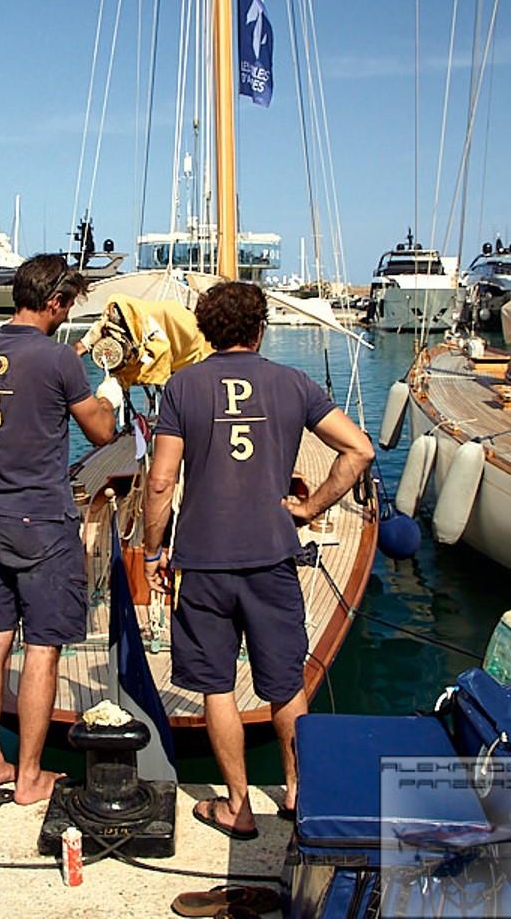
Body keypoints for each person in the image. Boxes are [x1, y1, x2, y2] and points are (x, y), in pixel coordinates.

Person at [142, 281, 374, 839]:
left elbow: (159, 481)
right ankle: (297, 793)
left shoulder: (181, 387)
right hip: (273, 555)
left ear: (205, 331)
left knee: (217, 686)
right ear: (261, 328)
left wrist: (152, 550)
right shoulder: (294, 384)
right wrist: (309, 506)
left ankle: (237, 806)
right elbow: (359, 449)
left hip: (202, 560)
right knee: (285, 683)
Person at [0, 253, 122, 804]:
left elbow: (26, 386)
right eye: (67, 305)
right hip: (44, 523)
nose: (67, 314)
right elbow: (101, 433)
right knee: (44, 649)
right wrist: (110, 392)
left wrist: (70, 358)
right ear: (54, 301)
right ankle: (29, 777)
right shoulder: (58, 361)